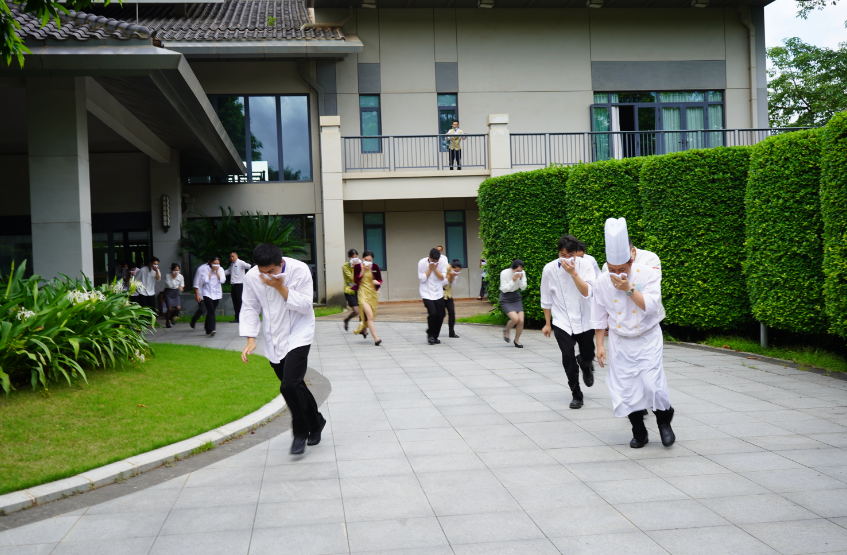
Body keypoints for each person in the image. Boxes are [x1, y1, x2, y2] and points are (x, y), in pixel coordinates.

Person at [592, 217, 674, 448]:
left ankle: (664, 422)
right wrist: (599, 345)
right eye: (612, 270)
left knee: (652, 384)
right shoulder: (601, 281)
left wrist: (628, 289)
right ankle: (639, 432)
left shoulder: (648, 274)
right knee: (626, 389)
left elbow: (650, 306)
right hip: (620, 340)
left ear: (631, 260)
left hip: (647, 337)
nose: (617, 274)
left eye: (622, 269)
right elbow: (599, 316)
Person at [240, 243, 325, 455]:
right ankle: (317, 421)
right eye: (262, 271)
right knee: (296, 385)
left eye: (272, 271)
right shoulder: (252, 277)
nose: (266, 276)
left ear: (281, 263)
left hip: (299, 332)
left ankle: (300, 432)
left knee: (289, 386)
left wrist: (279, 287)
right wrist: (251, 339)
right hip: (273, 336)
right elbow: (250, 306)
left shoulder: (299, 270)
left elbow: (306, 305)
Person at [541, 235, 597, 409]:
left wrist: (573, 273)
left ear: (576, 253)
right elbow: (546, 297)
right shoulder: (549, 269)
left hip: (585, 319)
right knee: (567, 358)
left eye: (570, 255)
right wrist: (547, 323)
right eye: (562, 255)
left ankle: (586, 365)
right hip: (562, 321)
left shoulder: (586, 265)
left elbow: (588, 291)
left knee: (588, 354)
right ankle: (576, 394)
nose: (566, 259)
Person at [352, 250, 383, 346]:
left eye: (370, 260)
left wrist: (377, 283)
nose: (368, 262)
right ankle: (376, 338)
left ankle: (364, 329)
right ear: (362, 258)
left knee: (370, 315)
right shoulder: (357, 267)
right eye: (366, 260)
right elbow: (355, 280)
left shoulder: (375, 267)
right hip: (362, 293)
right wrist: (363, 270)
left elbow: (380, 280)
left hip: (372, 294)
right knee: (370, 316)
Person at [419, 247, 448, 345]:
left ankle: (435, 336)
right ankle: (430, 335)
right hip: (426, 292)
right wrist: (429, 269)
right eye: (433, 260)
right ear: (429, 257)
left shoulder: (442, 262)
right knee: (433, 313)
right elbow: (422, 279)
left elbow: (442, 277)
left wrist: (435, 269)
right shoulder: (422, 263)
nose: (435, 262)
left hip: (438, 292)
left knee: (441, 315)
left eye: (436, 261)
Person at [500, 259, 528, 348]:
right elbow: (504, 289)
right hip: (505, 298)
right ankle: (507, 330)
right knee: (515, 319)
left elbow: (523, 288)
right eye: (517, 271)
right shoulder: (504, 273)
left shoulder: (522, 273)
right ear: (512, 268)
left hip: (515, 297)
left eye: (521, 270)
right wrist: (513, 281)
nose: (519, 272)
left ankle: (517, 340)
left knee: (521, 320)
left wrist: (520, 280)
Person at [198, 256, 225, 336]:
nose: (216, 265)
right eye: (214, 263)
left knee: (211, 311)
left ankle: (207, 327)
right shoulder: (205, 269)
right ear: (210, 263)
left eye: (217, 263)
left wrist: (217, 272)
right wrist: (211, 272)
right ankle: (212, 329)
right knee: (211, 310)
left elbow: (222, 280)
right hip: (207, 293)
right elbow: (205, 280)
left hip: (217, 293)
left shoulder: (221, 269)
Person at [226, 251, 252, 324]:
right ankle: (237, 318)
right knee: (235, 302)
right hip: (233, 286)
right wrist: (219, 274)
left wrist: (246, 277)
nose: (231, 258)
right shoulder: (232, 264)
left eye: (233, 256)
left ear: (236, 256)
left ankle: (242, 318)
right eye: (230, 257)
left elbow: (250, 267)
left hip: (239, 285)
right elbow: (228, 271)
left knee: (240, 302)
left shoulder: (241, 263)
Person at [342, 249, 361, 331]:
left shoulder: (360, 265)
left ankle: (362, 329)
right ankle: (347, 320)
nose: (355, 259)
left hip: (359, 289)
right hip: (349, 290)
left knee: (363, 311)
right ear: (349, 257)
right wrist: (355, 268)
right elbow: (352, 278)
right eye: (353, 257)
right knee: (356, 311)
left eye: (356, 257)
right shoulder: (345, 267)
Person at [190, 258, 210, 330]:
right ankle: (194, 319)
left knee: (210, 310)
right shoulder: (201, 269)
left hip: (211, 294)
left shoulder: (217, 269)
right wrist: (197, 294)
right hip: (202, 293)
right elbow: (196, 282)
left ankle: (207, 325)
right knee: (202, 309)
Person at [444, 259, 462, 339]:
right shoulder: (444, 269)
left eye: (458, 271)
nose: (456, 272)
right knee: (440, 314)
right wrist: (449, 276)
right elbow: (442, 283)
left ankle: (452, 332)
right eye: (455, 270)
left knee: (452, 313)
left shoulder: (455, 272)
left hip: (449, 295)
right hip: (440, 295)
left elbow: (452, 284)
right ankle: (434, 333)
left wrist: (453, 277)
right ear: (451, 266)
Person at [163, 263, 184, 328]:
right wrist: (174, 278)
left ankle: (171, 318)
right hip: (168, 292)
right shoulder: (168, 276)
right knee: (170, 308)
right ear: (172, 270)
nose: (176, 272)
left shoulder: (180, 276)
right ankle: (167, 322)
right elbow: (170, 285)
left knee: (178, 308)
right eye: (175, 270)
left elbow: (182, 283)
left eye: (177, 270)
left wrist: (181, 286)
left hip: (175, 292)